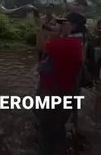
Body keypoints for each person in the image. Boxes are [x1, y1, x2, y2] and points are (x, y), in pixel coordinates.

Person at [36, 12, 86, 154]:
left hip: (56, 90)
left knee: (50, 127)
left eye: (63, 23)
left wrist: (39, 29)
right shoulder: (75, 40)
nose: (59, 25)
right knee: (56, 125)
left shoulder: (68, 43)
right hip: (64, 89)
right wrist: (52, 30)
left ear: (73, 26)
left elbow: (42, 46)